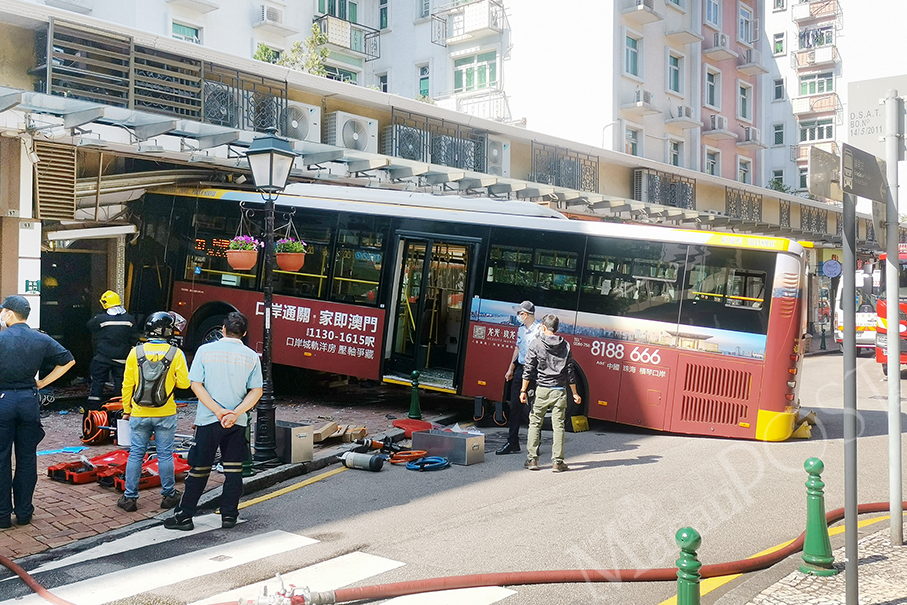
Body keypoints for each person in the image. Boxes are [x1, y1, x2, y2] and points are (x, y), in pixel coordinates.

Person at [165, 311, 262, 531]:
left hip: (208, 420)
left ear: (223, 329)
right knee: (233, 471)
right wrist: (235, 413)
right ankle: (229, 516)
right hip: (236, 423)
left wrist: (218, 411)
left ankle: (185, 516)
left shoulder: (205, 351)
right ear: (244, 333)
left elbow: (195, 384)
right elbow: (256, 391)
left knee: (199, 470)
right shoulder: (251, 357)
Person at [0, 295, 75, 528]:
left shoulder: (1, 338)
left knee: (1, 458)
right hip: (29, 400)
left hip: (3, 400)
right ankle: (24, 512)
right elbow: (68, 360)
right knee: (27, 458)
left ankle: (2, 516)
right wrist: (42, 383)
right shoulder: (40, 338)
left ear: (9, 313)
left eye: (2, 311)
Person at [118, 311, 190, 513]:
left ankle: (130, 498)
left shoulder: (135, 352)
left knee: (136, 454)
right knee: (165, 454)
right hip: (165, 412)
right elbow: (184, 384)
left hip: (139, 412)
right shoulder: (176, 354)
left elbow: (127, 385)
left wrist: (127, 410)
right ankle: (168, 495)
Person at [520, 314, 581, 473]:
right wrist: (575, 393)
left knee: (535, 423)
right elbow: (570, 372)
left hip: (542, 390)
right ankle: (557, 462)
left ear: (544, 327)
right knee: (559, 426)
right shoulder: (565, 345)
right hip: (559, 391)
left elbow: (528, 369)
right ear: (557, 328)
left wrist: (523, 390)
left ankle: (532, 459)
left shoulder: (536, 343)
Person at [497, 300, 541, 455]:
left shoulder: (539, 330)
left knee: (534, 409)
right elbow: (517, 349)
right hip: (520, 369)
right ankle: (512, 442)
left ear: (527, 315)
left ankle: (535, 444)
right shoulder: (521, 329)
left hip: (534, 372)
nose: (519, 316)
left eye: (521, 313)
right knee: (515, 406)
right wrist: (511, 368)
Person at [86, 290, 137, 413]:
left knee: (98, 382)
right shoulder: (130, 319)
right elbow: (134, 337)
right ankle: (119, 409)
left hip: (102, 357)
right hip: (122, 358)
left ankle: (93, 410)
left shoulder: (100, 319)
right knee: (121, 383)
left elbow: (89, 326)